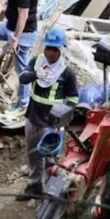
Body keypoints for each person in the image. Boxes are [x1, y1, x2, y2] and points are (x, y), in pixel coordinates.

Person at [17, 27, 79, 201]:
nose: (51, 53)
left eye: (55, 49)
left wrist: (62, 118)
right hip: (33, 116)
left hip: (51, 122)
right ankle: (35, 186)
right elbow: (23, 78)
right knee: (33, 154)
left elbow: (73, 98)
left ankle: (53, 192)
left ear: (61, 50)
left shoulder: (66, 72)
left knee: (51, 157)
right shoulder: (37, 62)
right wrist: (36, 75)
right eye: (48, 48)